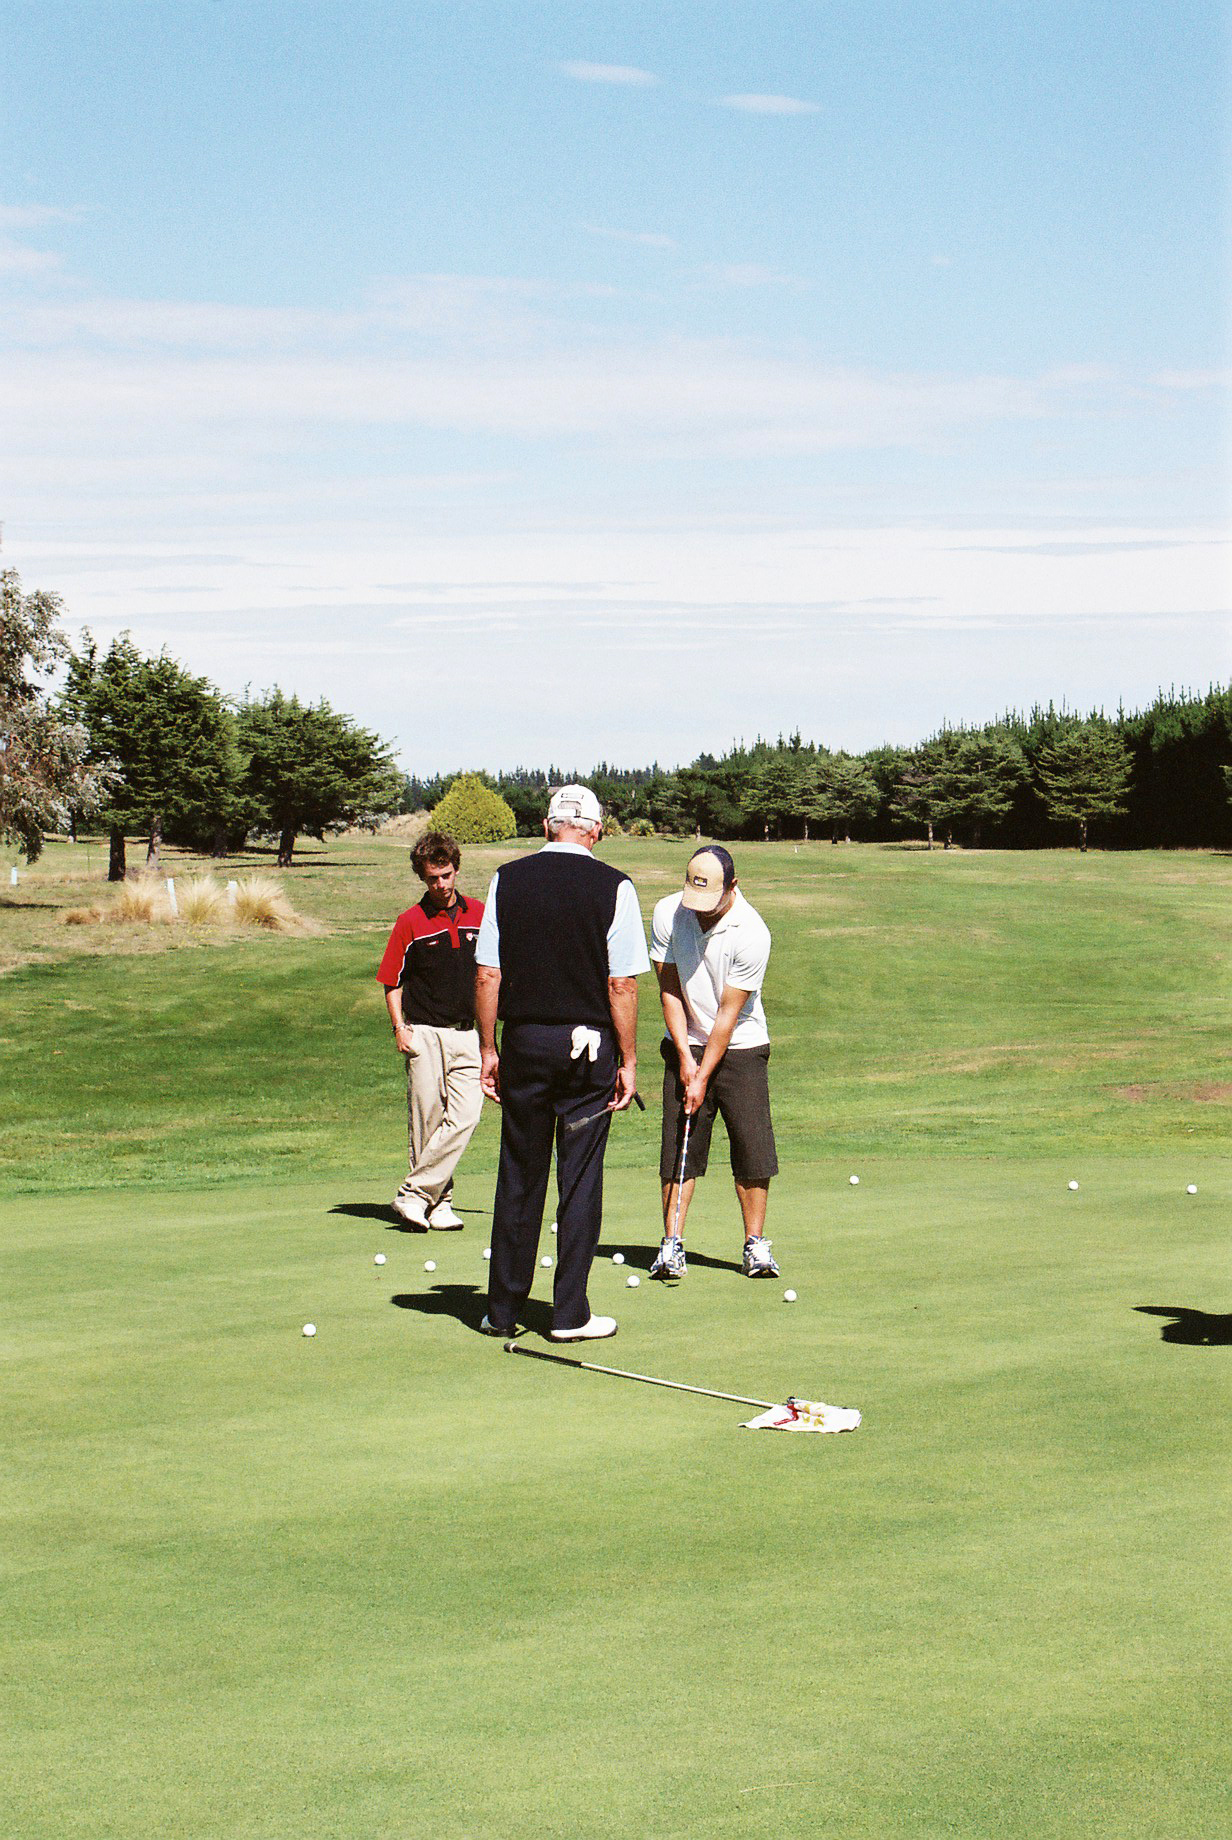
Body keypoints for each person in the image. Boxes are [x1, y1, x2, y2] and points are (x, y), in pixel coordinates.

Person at [474, 785, 650, 1341]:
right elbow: (621, 984)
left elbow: (488, 974)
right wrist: (629, 1059)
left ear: (547, 825)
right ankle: (569, 1315)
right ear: (596, 830)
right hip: (587, 1051)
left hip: (525, 1042)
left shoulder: (507, 878)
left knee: (519, 1177)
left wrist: (488, 1049)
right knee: (579, 1181)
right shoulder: (615, 886)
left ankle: (502, 1312)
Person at [648, 844, 780, 1281]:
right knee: (679, 1147)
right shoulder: (669, 912)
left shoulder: (752, 931)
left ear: (733, 886)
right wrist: (685, 1058)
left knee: (751, 1146)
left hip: (741, 1046)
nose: (700, 912)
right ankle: (671, 1244)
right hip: (684, 1040)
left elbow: (727, 1014)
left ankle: (755, 1244)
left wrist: (703, 1074)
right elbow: (669, 989)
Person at [376, 830, 484, 1230]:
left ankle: (413, 1194)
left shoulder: (481, 914)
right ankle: (438, 1205)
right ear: (422, 877)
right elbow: (392, 981)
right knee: (428, 1123)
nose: (441, 885)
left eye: (446, 875)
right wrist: (399, 1028)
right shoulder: (410, 922)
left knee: (466, 1118)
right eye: (432, 878)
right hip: (424, 1032)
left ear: (456, 870)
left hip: (469, 1035)